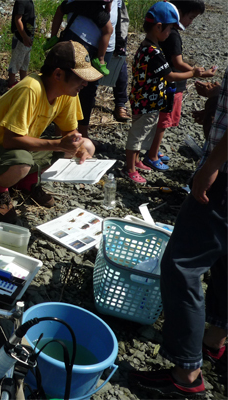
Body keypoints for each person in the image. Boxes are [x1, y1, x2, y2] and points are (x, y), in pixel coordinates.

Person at [129, 67, 227, 399]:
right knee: (224, 259)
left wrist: (211, 166)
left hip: (224, 176)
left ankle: (187, 375)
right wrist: (217, 97)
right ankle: (214, 341)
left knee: (182, 265)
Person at [0, 41, 101, 223]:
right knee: (22, 161)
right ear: (58, 74)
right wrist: (57, 145)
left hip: (18, 154)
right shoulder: (31, 89)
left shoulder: (68, 93)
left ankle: (26, 182)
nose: (85, 83)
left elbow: (71, 132)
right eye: (80, 77)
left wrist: (79, 148)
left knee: (87, 144)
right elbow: (10, 140)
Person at [121, 2, 213, 184]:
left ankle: (137, 161)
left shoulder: (146, 46)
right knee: (137, 135)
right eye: (170, 28)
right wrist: (193, 73)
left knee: (145, 132)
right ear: (158, 27)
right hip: (146, 101)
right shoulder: (153, 52)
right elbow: (170, 76)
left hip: (145, 99)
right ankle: (129, 169)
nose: (171, 32)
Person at [144, 0, 209, 171]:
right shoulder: (172, 35)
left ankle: (154, 151)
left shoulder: (168, 33)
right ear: (178, 12)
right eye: (190, 17)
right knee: (163, 123)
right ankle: (151, 155)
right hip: (171, 86)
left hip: (165, 85)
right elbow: (177, 63)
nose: (190, 22)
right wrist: (197, 72)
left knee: (161, 122)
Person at [49, 0, 120, 138]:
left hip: (105, 43)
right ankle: (61, 136)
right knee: (67, 86)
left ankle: (80, 136)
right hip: (82, 35)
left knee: (88, 91)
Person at [45, 0, 113, 76]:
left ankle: (52, 38)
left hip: (77, 3)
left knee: (60, 10)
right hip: (95, 9)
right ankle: (100, 59)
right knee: (108, 30)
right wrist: (108, 5)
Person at [7, 0, 36, 89]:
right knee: (16, 61)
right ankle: (11, 82)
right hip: (21, 39)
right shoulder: (21, 1)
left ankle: (23, 82)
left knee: (25, 62)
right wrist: (24, 37)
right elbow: (18, 19)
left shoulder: (29, 2)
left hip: (27, 39)